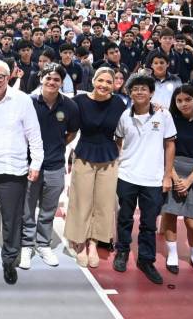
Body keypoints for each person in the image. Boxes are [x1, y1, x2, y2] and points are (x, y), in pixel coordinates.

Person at [0, 59, 43, 284]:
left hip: (13, 168)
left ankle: (9, 258)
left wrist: (35, 165)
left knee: (12, 218)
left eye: (0, 77)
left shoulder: (22, 100)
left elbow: (34, 135)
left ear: (8, 77)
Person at [112, 73, 176, 285]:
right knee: (125, 218)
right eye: (135, 89)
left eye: (143, 88)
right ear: (130, 93)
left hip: (153, 179)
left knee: (149, 222)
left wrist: (167, 176)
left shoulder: (164, 115)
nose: (139, 92)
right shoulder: (124, 116)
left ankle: (146, 259)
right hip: (127, 175)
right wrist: (119, 166)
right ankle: (122, 251)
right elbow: (118, 143)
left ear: (151, 92)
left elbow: (170, 146)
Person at [64, 67, 128, 267]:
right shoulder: (79, 102)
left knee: (104, 203)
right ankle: (80, 243)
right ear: (93, 81)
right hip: (84, 155)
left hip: (109, 157)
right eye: (101, 80)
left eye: (109, 82)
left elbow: (122, 131)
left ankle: (94, 243)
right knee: (81, 201)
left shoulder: (118, 102)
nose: (104, 85)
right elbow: (71, 128)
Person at [22, 63, 79, 270]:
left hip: (55, 165)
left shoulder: (70, 106)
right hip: (29, 165)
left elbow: (71, 132)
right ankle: (26, 244)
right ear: (41, 79)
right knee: (27, 208)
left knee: (48, 208)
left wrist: (57, 146)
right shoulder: (27, 102)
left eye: (56, 79)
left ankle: (43, 244)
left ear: (62, 82)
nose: (52, 82)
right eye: (48, 78)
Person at [161, 84, 193, 279]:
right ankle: (173, 255)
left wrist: (189, 181)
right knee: (170, 216)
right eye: (179, 100)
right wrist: (175, 179)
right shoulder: (169, 122)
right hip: (172, 170)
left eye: (188, 99)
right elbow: (164, 151)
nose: (184, 104)